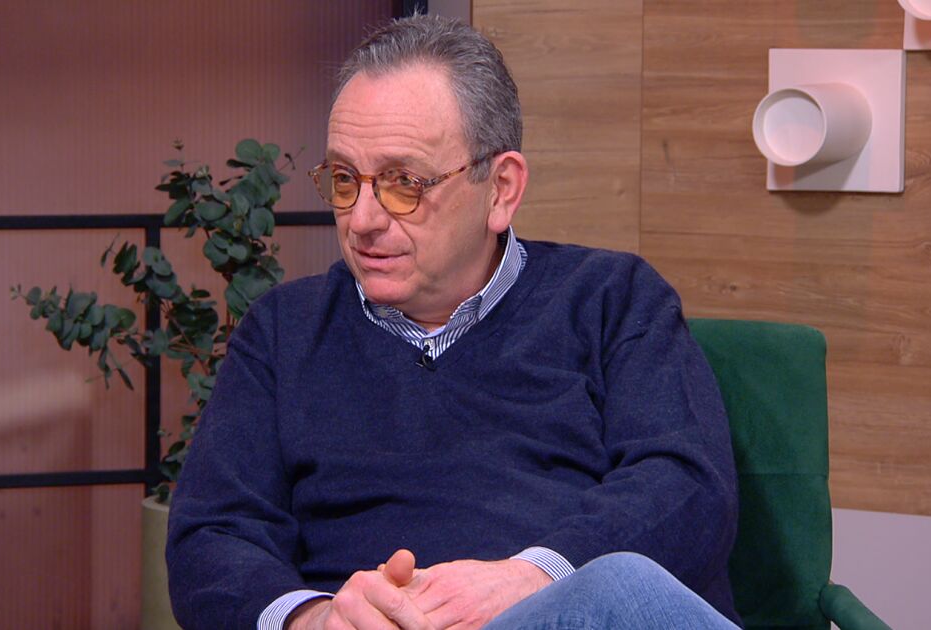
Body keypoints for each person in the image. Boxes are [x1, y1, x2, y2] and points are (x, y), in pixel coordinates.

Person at [167, 14, 741, 630]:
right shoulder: (284, 330)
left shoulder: (613, 298)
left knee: (616, 587)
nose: (362, 220)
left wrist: (530, 580)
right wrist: (314, 618)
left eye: (403, 182)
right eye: (344, 179)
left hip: (564, 612)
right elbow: (211, 536)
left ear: (501, 189)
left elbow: (686, 488)